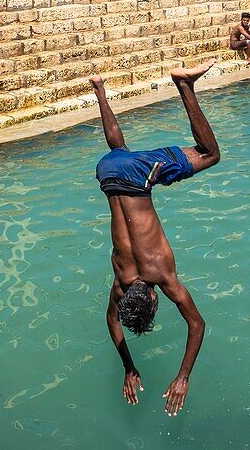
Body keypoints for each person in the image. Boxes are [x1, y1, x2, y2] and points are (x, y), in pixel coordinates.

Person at [90, 64, 218, 417]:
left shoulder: (160, 275)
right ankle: (99, 89)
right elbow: (112, 321)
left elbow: (197, 324)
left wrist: (183, 377)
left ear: (149, 295)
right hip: (107, 174)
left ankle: (185, 86)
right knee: (120, 149)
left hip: (135, 177)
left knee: (210, 154)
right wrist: (128, 367)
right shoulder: (119, 282)